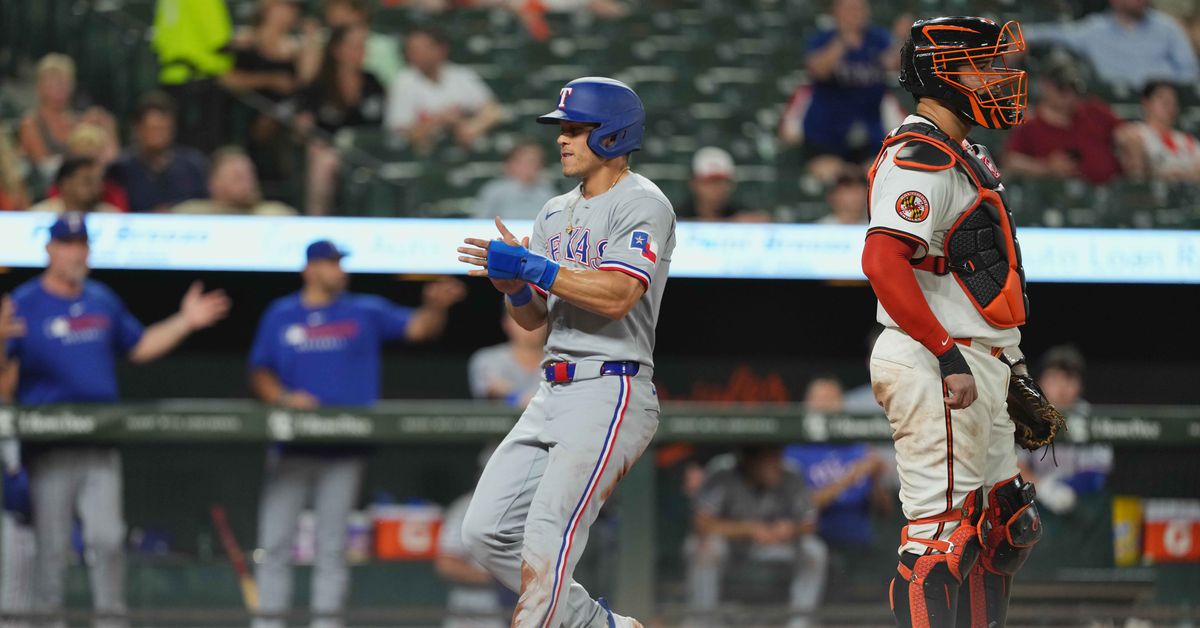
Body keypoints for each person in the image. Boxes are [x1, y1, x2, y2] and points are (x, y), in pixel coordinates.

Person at [456, 76, 675, 628]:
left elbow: (620, 295)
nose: (562, 139)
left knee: (546, 537)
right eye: (562, 129)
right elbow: (534, 321)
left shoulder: (644, 202)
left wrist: (536, 267)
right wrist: (514, 287)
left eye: (575, 129)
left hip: (611, 386)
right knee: (483, 533)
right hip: (552, 387)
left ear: (612, 136)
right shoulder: (553, 212)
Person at [860, 17, 1044, 626]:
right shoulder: (919, 155)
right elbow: (883, 261)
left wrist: (1011, 365)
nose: (997, 78)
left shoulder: (964, 151)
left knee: (1004, 529)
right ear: (943, 75)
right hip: (936, 358)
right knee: (940, 545)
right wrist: (945, 353)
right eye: (982, 66)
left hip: (977, 356)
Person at [0, 212, 229, 628]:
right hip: (48, 445)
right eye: (67, 244)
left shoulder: (101, 299)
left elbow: (139, 346)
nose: (75, 253)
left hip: (100, 442)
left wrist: (185, 321)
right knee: (51, 550)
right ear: (49, 249)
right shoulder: (25, 302)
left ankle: (111, 622)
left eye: (82, 245)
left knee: (107, 541)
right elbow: (4, 383)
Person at [248, 239, 465, 628]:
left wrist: (435, 307)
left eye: (340, 263)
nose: (339, 270)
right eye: (331, 263)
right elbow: (259, 370)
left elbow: (418, 329)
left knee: (332, 549)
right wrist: (282, 396)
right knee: (276, 544)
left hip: (344, 449)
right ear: (310, 269)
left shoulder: (363, 309)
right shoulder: (281, 313)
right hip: (292, 446)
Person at [686, 445, 827, 628]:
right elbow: (701, 523)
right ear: (750, 462)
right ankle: (703, 622)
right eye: (770, 460)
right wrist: (748, 529)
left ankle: (800, 623)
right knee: (705, 547)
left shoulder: (790, 473)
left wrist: (792, 529)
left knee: (813, 550)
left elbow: (810, 522)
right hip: (732, 548)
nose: (778, 465)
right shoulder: (723, 472)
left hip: (774, 546)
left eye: (778, 458)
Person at [782, 0, 909, 182]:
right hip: (825, 135)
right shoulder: (823, 38)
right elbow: (818, 69)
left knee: (882, 176)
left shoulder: (877, 38)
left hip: (869, 134)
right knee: (833, 176)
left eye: (859, 8)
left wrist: (900, 39)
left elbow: (894, 65)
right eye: (848, 9)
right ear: (835, 12)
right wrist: (843, 40)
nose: (855, 14)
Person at [294, 24, 388, 215]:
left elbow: (384, 125)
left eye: (362, 46)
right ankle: (317, 217)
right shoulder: (320, 85)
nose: (360, 52)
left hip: (368, 151)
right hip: (331, 151)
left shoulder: (373, 83)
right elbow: (302, 125)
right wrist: (309, 135)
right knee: (323, 162)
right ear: (337, 50)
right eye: (354, 46)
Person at [1017, 346, 1113, 516]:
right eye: (1054, 379)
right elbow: (1016, 465)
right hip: (1036, 504)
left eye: (1068, 379)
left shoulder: (1090, 416)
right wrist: (1044, 488)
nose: (1061, 388)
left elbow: (1098, 472)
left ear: (1079, 385)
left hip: (1082, 506)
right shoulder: (1027, 416)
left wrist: (1065, 485)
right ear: (1040, 382)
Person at [1023, 0, 1199, 90]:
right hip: (1111, 106)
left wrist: (1164, 85)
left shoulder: (1168, 27)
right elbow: (1057, 33)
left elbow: (1190, 72)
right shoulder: (1094, 28)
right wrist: (1022, 36)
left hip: (1162, 107)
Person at [1003, 57, 1126, 185]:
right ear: (1046, 86)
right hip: (1055, 199)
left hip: (1108, 193)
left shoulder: (1094, 111)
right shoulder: (1031, 125)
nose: (1069, 94)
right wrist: (1046, 168)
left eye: (1073, 88)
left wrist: (1129, 142)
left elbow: (1125, 133)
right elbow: (1011, 161)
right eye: (1062, 88)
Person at [385, 26, 502, 152]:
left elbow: (493, 110)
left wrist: (473, 126)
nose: (413, 54)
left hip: (465, 148)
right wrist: (439, 121)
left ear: (441, 50)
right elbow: (401, 132)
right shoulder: (404, 82)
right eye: (411, 49)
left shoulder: (461, 75)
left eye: (421, 49)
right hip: (424, 155)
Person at [436, 444, 509, 628]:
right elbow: (447, 564)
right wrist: (496, 579)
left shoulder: (534, 506)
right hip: (474, 606)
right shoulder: (465, 508)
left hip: (522, 603)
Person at [17, 54, 119, 182]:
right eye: (52, 83)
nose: (59, 88)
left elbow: (110, 160)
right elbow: (45, 166)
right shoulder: (31, 122)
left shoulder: (78, 120)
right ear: (40, 87)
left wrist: (108, 127)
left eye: (63, 82)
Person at [109, 93, 209, 212]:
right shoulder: (120, 168)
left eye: (165, 129)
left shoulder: (193, 165)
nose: (159, 136)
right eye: (153, 129)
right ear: (137, 129)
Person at [171, 147, 298, 215]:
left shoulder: (278, 215)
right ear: (214, 183)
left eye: (250, 175)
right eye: (238, 177)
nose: (248, 183)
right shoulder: (189, 214)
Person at [1118, 81, 1200, 182]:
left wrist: (1177, 175)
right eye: (1161, 98)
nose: (1167, 104)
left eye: (1172, 100)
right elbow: (1136, 172)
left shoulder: (1188, 141)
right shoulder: (1133, 133)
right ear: (1146, 102)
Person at [468, 308, 548, 406]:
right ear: (506, 323)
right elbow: (492, 392)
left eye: (537, 319)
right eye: (522, 319)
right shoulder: (488, 358)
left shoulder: (560, 361)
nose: (530, 326)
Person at [45, 123, 129, 212]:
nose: (88, 166)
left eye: (94, 159)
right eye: (82, 159)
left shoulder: (113, 194)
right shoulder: (52, 202)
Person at [675, 147, 770, 222]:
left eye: (722, 182)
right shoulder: (677, 215)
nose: (717, 188)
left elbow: (764, 219)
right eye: (710, 182)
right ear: (694, 183)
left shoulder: (739, 211)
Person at [470, 141, 557, 220]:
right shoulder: (494, 190)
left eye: (536, 161)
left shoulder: (547, 193)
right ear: (511, 163)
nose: (532, 166)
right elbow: (479, 221)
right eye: (527, 161)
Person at [29, 157, 122, 214]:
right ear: (66, 184)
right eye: (87, 181)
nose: (95, 187)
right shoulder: (41, 215)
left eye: (98, 181)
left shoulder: (111, 216)